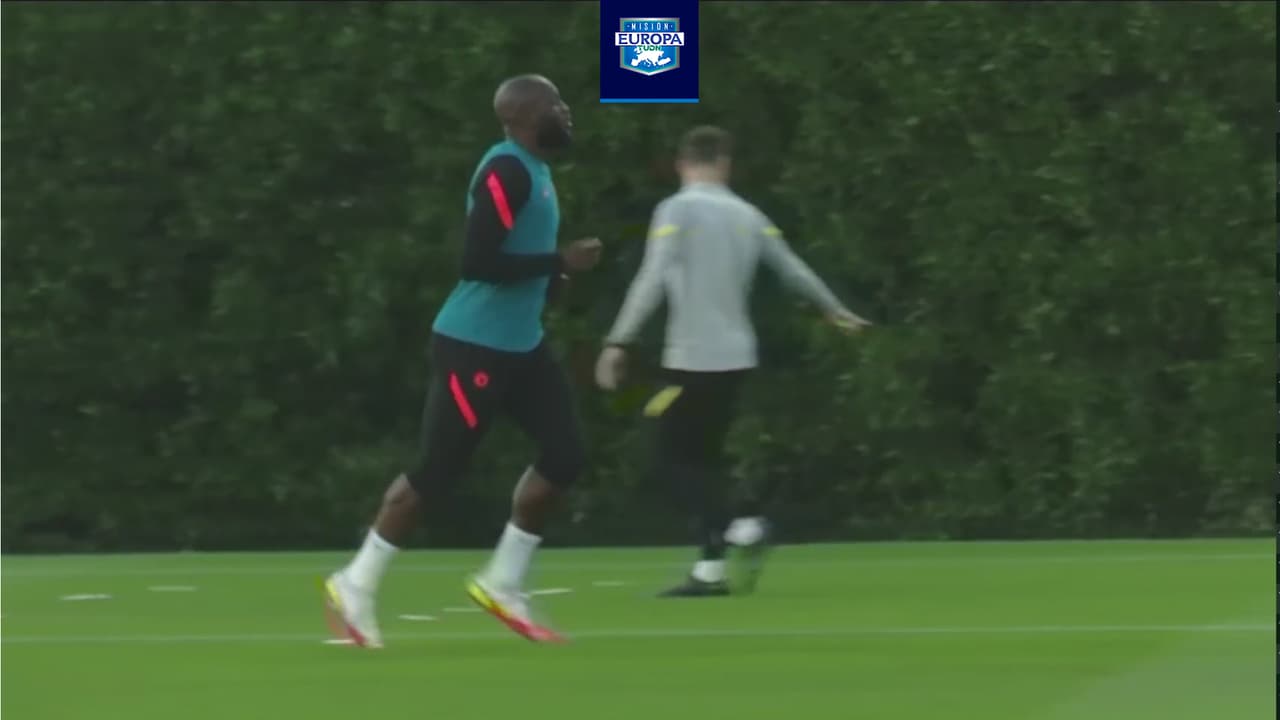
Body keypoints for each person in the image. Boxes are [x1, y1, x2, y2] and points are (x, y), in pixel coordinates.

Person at [324, 74, 602, 646]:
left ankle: (503, 581)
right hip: (474, 345)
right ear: (522, 116)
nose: (566, 112)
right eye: (555, 104)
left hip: (521, 345)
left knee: (566, 454)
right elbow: (477, 261)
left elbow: (520, 262)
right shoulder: (506, 170)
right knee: (438, 470)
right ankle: (356, 582)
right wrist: (559, 261)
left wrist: (554, 279)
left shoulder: (538, 172)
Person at [595, 125, 868, 598]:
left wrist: (618, 341)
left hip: (692, 358)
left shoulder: (677, 209)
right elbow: (791, 267)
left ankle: (743, 524)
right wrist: (835, 310)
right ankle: (710, 571)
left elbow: (652, 276)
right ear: (724, 163)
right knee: (704, 460)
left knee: (665, 458)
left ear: (682, 163)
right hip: (737, 357)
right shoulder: (747, 213)